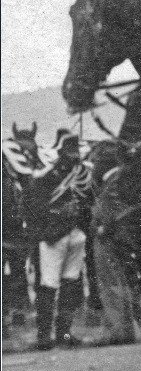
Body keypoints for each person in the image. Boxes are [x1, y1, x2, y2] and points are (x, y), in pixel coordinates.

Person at [23, 133, 93, 351]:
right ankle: (47, 335)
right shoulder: (56, 174)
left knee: (68, 283)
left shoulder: (75, 173)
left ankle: (60, 334)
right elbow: (32, 202)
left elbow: (88, 200)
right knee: (52, 284)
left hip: (71, 234)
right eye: (70, 149)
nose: (74, 154)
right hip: (56, 235)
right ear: (62, 151)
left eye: (75, 149)